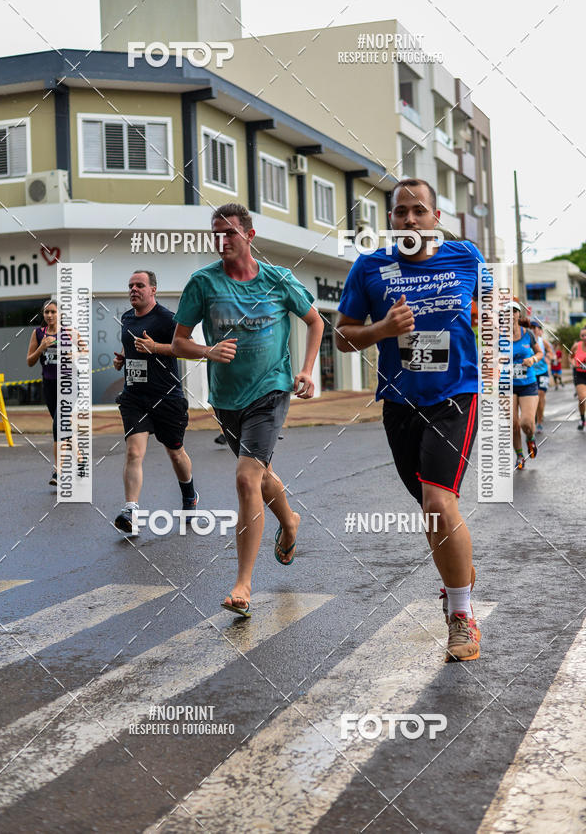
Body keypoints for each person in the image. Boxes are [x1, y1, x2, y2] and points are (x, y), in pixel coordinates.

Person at [336, 178, 486, 662]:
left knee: (438, 500)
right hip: (400, 403)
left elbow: (489, 311)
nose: (410, 220)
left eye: (419, 210)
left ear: (436, 218)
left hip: (455, 395)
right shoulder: (370, 267)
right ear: (392, 220)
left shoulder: (466, 257)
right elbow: (343, 337)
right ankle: (457, 572)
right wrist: (383, 328)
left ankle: (460, 615)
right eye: (400, 212)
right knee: (431, 507)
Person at [172, 203, 324, 618]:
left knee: (244, 478)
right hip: (226, 398)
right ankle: (289, 521)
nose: (222, 240)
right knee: (259, 474)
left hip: (271, 390)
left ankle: (242, 584)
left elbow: (315, 321)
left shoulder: (278, 280)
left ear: (249, 236)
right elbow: (180, 342)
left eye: (230, 233)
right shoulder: (202, 283)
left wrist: (307, 369)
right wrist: (208, 350)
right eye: (216, 233)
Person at [113, 270, 197, 534]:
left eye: (140, 285)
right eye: (130, 286)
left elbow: (190, 348)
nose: (134, 290)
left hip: (167, 398)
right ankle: (131, 510)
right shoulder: (127, 318)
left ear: (153, 290)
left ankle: (189, 495)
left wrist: (157, 348)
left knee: (175, 452)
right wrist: (123, 359)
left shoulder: (167, 319)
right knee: (134, 452)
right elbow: (132, 346)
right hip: (135, 397)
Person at [26, 298, 59, 487]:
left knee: (59, 426)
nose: (49, 315)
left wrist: (76, 354)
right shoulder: (38, 333)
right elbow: (29, 361)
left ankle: (58, 471)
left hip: (68, 384)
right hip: (49, 384)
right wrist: (41, 347)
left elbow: (84, 352)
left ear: (60, 314)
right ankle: (79, 458)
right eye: (47, 312)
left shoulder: (68, 332)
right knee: (62, 425)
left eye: (53, 312)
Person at [511, 303, 542, 469]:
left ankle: (530, 439)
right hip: (506, 384)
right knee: (512, 423)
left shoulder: (528, 334)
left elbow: (540, 353)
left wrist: (533, 359)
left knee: (526, 423)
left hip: (527, 383)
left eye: (514, 311)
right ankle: (520, 456)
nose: (510, 315)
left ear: (518, 314)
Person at [530, 320, 553, 433]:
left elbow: (550, 352)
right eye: (532, 327)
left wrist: (548, 357)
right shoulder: (526, 341)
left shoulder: (543, 342)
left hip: (543, 372)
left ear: (540, 331)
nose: (534, 329)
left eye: (536, 328)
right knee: (533, 397)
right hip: (531, 373)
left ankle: (539, 421)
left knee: (541, 394)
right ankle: (534, 414)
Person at [569, 325, 586, 430]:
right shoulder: (576, 346)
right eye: (582, 335)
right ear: (580, 336)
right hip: (580, 374)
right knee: (582, 399)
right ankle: (582, 419)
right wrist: (573, 363)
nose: (584, 337)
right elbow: (570, 356)